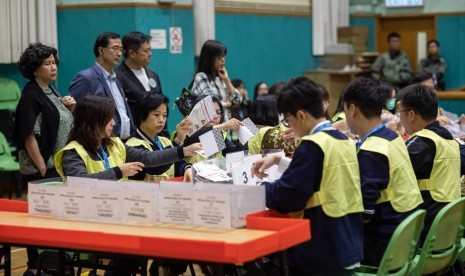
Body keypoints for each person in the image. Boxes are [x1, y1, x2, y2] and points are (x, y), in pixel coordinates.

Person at [251, 76, 364, 275]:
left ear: (301, 116)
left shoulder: (312, 145)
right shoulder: (343, 140)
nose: (288, 126)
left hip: (322, 253)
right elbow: (322, 177)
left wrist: (254, 191)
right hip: (349, 245)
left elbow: (289, 197)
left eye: (288, 120)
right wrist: (279, 160)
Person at [342, 77, 422, 266]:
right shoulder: (392, 137)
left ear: (352, 109)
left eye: (345, 110)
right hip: (406, 237)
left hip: (385, 245)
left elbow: (365, 213)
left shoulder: (372, 150)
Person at [13, 42, 75, 276]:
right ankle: (35, 267)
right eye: (47, 64)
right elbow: (28, 135)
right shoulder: (31, 95)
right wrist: (41, 166)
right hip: (43, 169)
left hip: (57, 166)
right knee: (40, 221)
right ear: (35, 69)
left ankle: (53, 265)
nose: (53, 67)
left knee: (54, 220)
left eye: (54, 63)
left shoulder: (51, 91)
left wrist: (70, 106)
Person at [54, 94, 201, 180]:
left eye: (164, 115)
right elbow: (81, 182)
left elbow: (149, 158)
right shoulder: (73, 152)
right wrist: (118, 171)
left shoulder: (114, 144)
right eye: (108, 118)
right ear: (93, 121)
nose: (113, 123)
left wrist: (184, 151)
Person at [397, 84, 461, 240]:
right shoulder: (449, 139)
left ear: (411, 114)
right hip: (446, 231)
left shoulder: (421, 142)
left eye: (399, 113)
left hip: (425, 231)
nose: (399, 118)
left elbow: (391, 171)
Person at [69, 32, 134, 140]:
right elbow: (75, 113)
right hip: (100, 142)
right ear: (101, 50)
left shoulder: (117, 79)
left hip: (124, 142)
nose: (119, 54)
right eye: (115, 48)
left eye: (121, 49)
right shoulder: (86, 78)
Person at [126, 93, 193, 181]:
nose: (161, 120)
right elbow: (156, 168)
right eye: (156, 115)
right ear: (141, 115)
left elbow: (178, 164)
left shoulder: (164, 141)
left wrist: (186, 168)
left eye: (164, 115)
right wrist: (177, 142)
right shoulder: (132, 145)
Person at [173, 95, 244, 164]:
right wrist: (222, 126)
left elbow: (234, 157)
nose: (215, 117)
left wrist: (241, 141)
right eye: (211, 112)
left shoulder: (217, 134)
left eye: (218, 112)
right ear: (197, 113)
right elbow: (195, 136)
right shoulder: (183, 133)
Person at [115, 32, 165, 126]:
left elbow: (161, 106)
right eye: (146, 51)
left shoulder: (153, 75)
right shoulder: (118, 77)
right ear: (132, 53)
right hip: (133, 134)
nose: (150, 54)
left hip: (156, 134)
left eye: (150, 50)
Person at [191, 40, 242, 121]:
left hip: (225, 127)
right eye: (219, 57)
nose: (223, 60)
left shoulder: (221, 78)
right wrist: (227, 104)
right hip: (210, 128)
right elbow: (210, 104)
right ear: (209, 58)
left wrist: (227, 80)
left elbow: (237, 101)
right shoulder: (201, 77)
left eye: (224, 56)